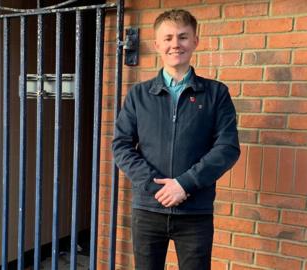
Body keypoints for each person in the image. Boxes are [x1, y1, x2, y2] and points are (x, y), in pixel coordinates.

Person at [112, 9, 240, 270]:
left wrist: (184, 184)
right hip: (148, 210)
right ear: (157, 44)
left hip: (195, 213)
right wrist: (155, 186)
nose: (175, 44)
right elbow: (121, 146)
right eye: (168, 38)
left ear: (195, 41)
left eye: (183, 37)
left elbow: (227, 148)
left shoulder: (216, 94)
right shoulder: (139, 95)